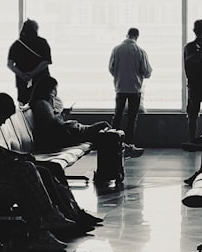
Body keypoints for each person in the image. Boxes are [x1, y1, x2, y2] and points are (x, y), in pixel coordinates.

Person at [0, 93, 87, 252]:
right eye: (2, 118)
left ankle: (43, 229)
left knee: (26, 172)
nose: (2, 123)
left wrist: (2, 165)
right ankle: (45, 222)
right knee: (25, 178)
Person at [27, 76, 111, 152]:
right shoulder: (43, 104)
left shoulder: (39, 103)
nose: (56, 92)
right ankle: (119, 147)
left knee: (102, 134)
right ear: (48, 89)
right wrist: (61, 114)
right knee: (103, 126)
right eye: (54, 89)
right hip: (68, 135)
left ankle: (117, 147)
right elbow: (53, 124)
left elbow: (52, 123)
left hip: (66, 133)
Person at [109, 27, 152, 156]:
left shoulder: (116, 49)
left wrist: (118, 76)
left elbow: (111, 67)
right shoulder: (140, 51)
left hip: (120, 87)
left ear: (127, 34)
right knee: (132, 118)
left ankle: (113, 142)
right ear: (137, 36)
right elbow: (147, 72)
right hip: (135, 88)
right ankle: (128, 144)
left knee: (118, 116)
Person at [7, 19, 52, 106]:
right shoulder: (42, 43)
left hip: (22, 81)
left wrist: (22, 75)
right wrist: (32, 74)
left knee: (24, 104)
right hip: (41, 79)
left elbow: (10, 64)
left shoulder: (17, 44)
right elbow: (46, 61)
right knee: (42, 102)